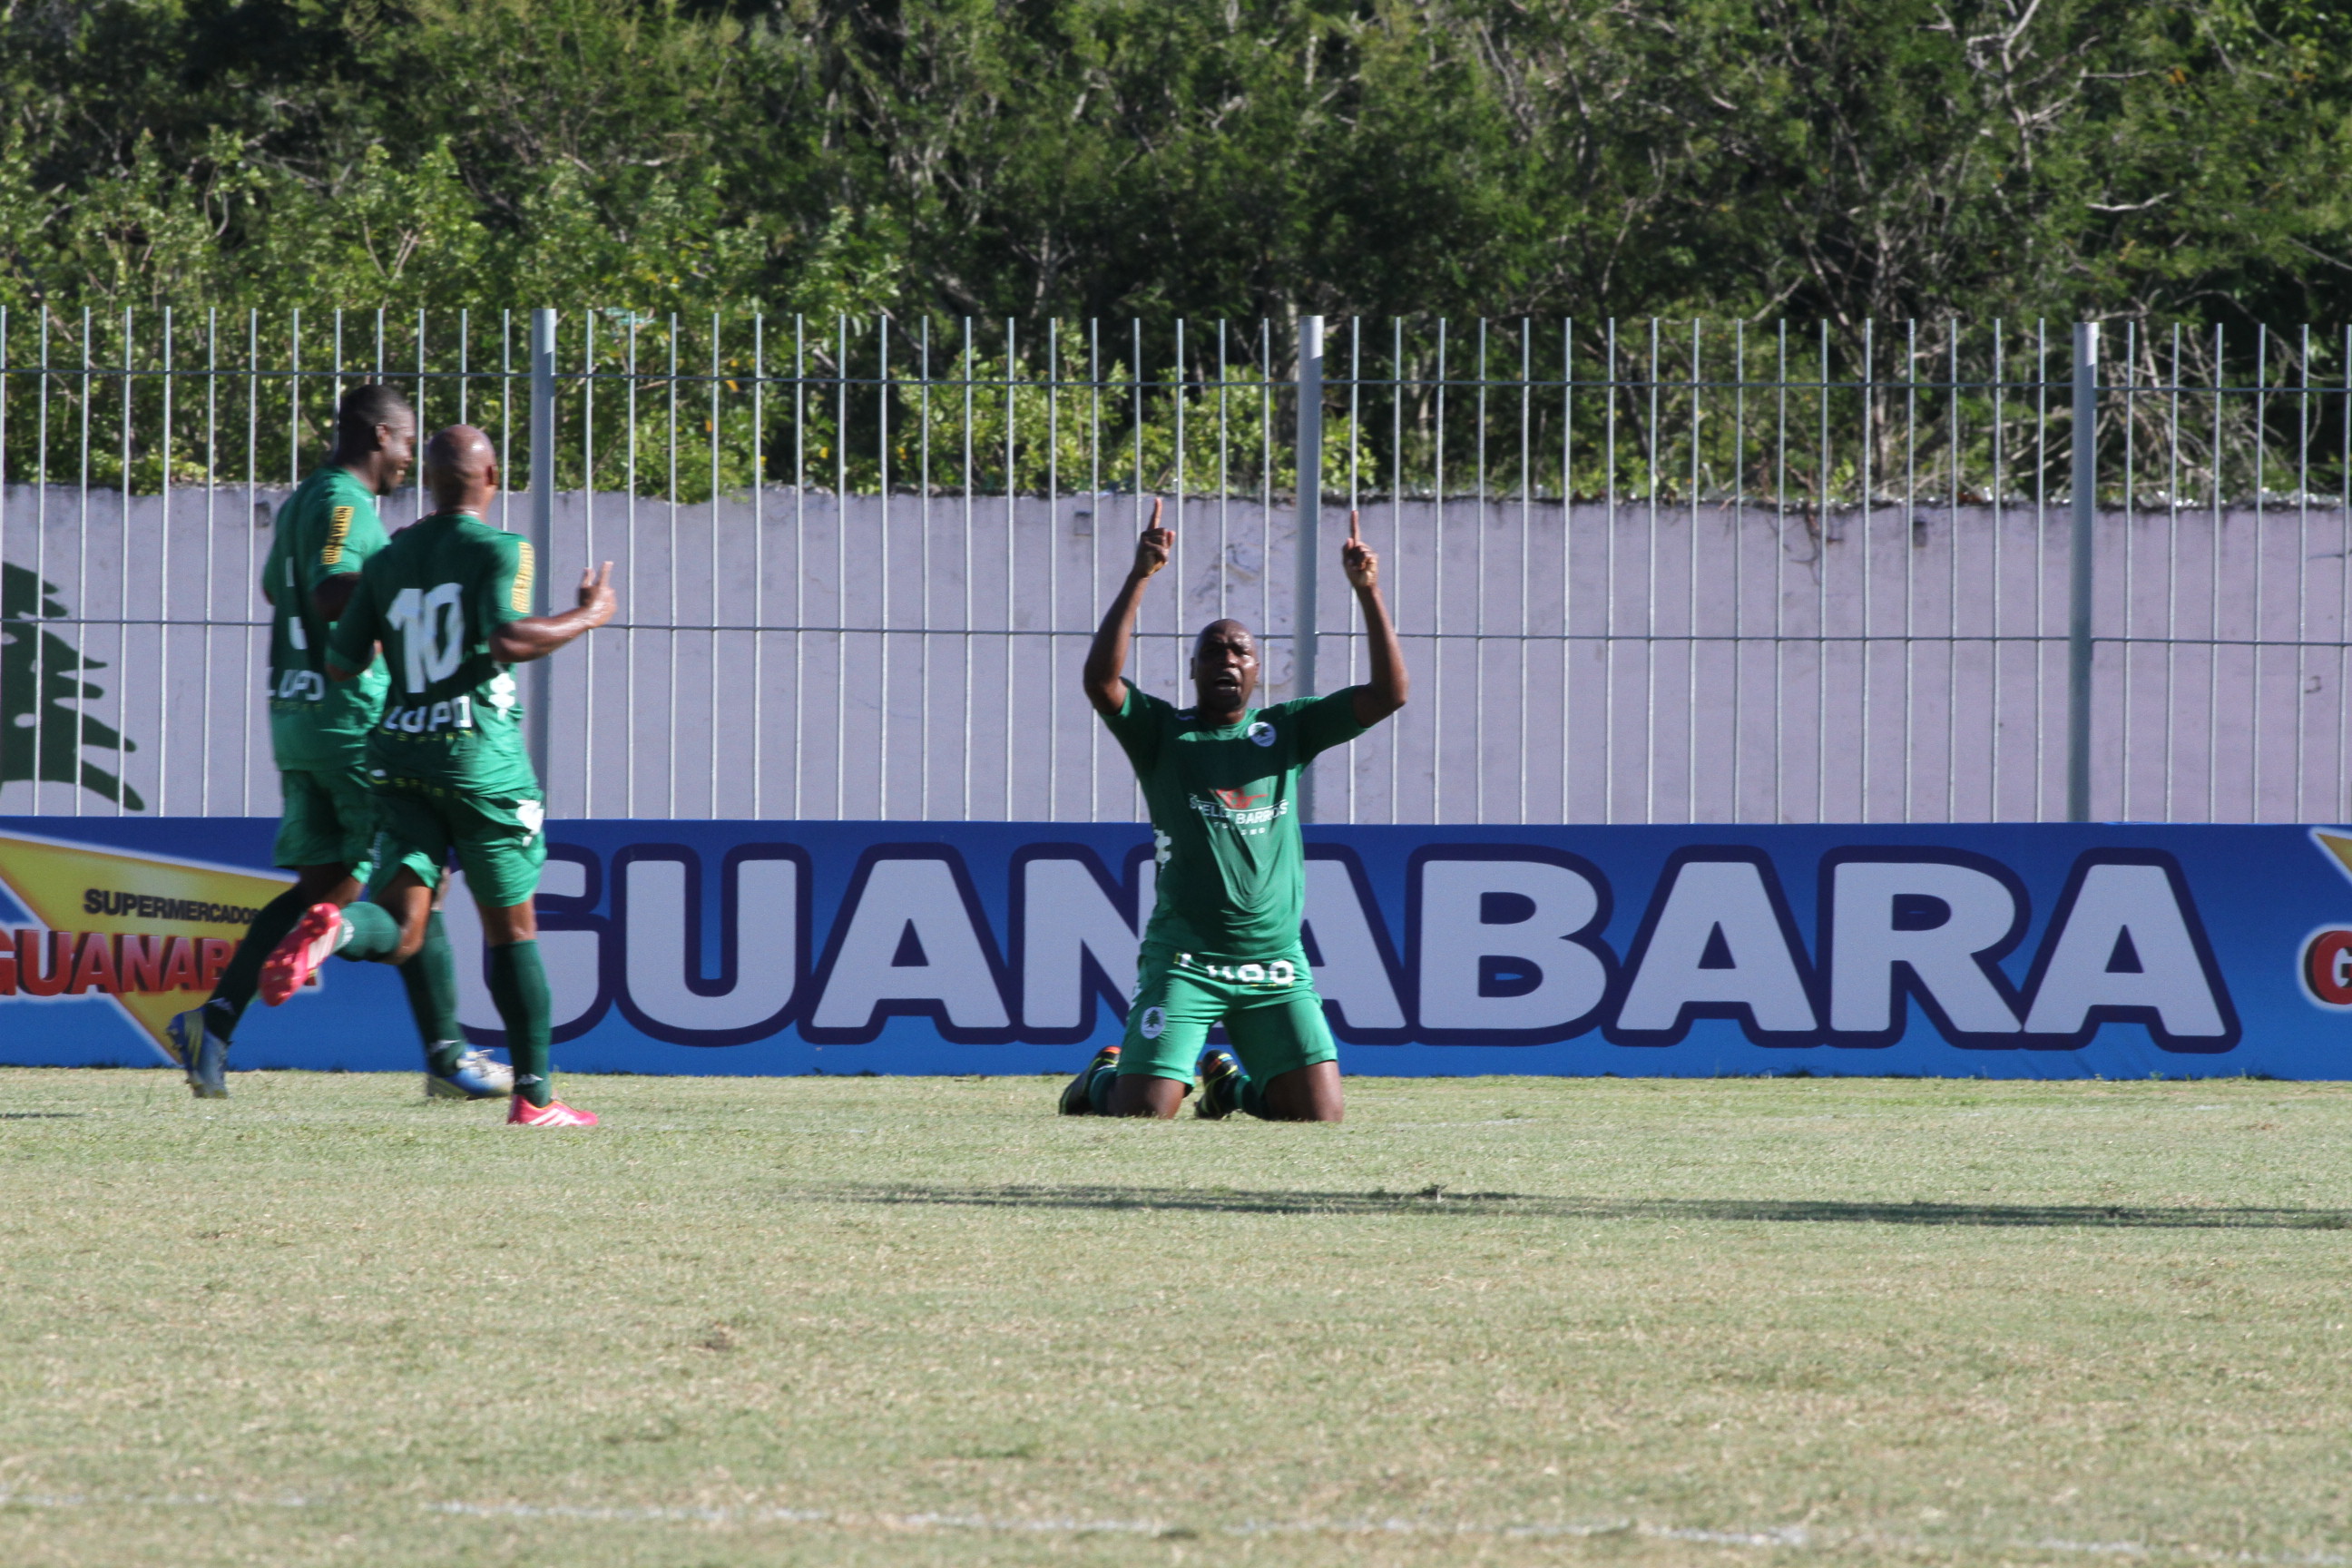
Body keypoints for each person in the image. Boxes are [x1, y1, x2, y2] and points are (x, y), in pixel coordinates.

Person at [254, 424, 618, 1127]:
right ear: (491, 478)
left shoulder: (390, 557)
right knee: (512, 931)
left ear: (428, 483)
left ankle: (333, 929)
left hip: (398, 755)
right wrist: (588, 614)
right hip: (479, 760)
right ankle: (537, 1099)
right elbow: (508, 638)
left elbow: (342, 661)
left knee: (402, 924)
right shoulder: (503, 548)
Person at [166, 386, 509, 1102]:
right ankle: (448, 1056)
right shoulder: (346, 505)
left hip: (296, 718)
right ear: (380, 435)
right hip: (351, 716)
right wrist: (401, 586)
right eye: (407, 441)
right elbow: (331, 593)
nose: (412, 457)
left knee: (322, 891)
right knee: (416, 876)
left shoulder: (302, 504)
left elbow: (276, 590)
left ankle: (215, 1021)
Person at [1060, 498, 1407, 1122]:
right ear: (1192, 669)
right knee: (1142, 1115)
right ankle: (1104, 1074)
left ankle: (1228, 1090)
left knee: (1319, 1118)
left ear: (1257, 670)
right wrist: (1140, 575)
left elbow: (1389, 694)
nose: (1228, 660)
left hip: (1274, 961)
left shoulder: (1287, 731)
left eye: (1240, 652)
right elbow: (1101, 683)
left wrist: (1368, 592)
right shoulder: (1162, 733)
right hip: (1186, 960)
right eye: (1214, 652)